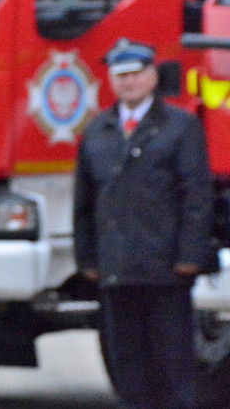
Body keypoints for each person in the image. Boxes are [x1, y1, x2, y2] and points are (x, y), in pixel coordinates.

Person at [73, 38, 213, 409]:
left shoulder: (180, 127)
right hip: (117, 268)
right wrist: (87, 260)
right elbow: (84, 203)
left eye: (136, 74)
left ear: (153, 77)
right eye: (121, 76)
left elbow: (197, 197)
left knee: (172, 365)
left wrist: (190, 256)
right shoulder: (97, 131)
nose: (129, 82)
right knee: (128, 367)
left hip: (165, 268)